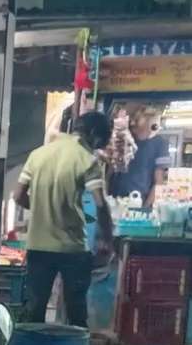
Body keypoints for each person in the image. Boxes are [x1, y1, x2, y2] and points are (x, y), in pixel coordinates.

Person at [13, 111, 113, 329]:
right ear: (94, 134)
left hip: (38, 245)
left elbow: (18, 196)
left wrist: (41, 208)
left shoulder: (38, 155)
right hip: (73, 249)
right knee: (76, 313)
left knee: (34, 311)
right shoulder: (87, 160)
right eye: (100, 141)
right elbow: (100, 204)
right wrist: (107, 238)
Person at [109, 107, 169, 208]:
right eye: (135, 128)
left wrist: (145, 208)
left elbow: (159, 182)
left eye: (141, 128)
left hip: (140, 200)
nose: (136, 131)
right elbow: (110, 171)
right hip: (116, 199)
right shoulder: (125, 140)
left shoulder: (160, 144)